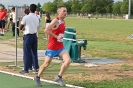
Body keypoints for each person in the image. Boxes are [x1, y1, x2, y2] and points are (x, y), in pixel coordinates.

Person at [34, 6, 71, 87]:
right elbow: (46, 30)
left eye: (66, 11)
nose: (65, 13)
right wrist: (56, 36)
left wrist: (61, 36)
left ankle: (59, 77)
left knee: (68, 61)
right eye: (64, 11)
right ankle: (37, 77)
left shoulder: (63, 21)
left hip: (60, 47)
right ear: (59, 12)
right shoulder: (55, 21)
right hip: (52, 47)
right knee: (46, 64)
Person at [20, 4, 39, 74]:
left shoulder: (26, 17)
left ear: (29, 9)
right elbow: (36, 26)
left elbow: (21, 26)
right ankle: (36, 68)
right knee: (34, 52)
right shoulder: (36, 17)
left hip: (28, 36)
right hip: (34, 35)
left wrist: (22, 28)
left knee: (27, 53)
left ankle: (26, 69)